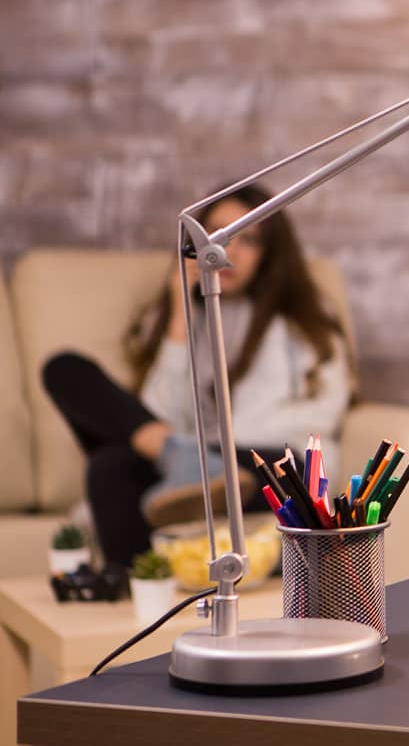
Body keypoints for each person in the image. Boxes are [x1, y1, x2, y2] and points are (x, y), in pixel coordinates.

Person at [43, 184, 353, 567]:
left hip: (272, 464)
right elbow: (158, 415)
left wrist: (209, 450)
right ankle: (143, 588)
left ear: (270, 253)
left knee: (119, 462)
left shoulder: (303, 319)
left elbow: (323, 413)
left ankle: (190, 464)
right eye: (216, 235)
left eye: (248, 239)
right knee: (68, 375)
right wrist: (179, 313)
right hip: (187, 465)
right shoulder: (181, 315)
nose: (229, 250)